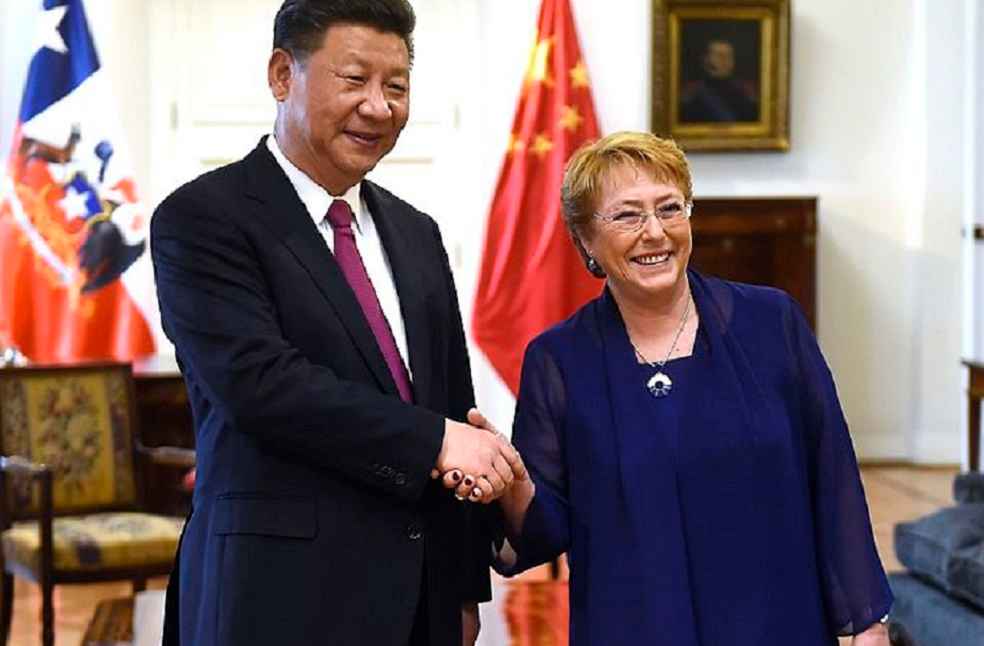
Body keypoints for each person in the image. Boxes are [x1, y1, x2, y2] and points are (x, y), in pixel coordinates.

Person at [150, 1, 523, 645]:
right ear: (281, 75)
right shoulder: (202, 219)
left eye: (396, 86)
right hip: (274, 599)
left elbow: (451, 407)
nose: (379, 106)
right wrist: (432, 442)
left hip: (419, 604)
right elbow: (259, 385)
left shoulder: (417, 234)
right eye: (354, 80)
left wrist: (464, 588)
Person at [474, 132, 893, 645]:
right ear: (584, 238)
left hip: (776, 622)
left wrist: (868, 622)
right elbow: (547, 529)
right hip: (633, 628)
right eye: (627, 215)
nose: (655, 232)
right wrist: (515, 487)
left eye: (670, 209)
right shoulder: (558, 361)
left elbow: (831, 474)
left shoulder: (771, 323)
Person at [679, 38, 759, 123]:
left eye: (728, 55)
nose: (724, 58)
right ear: (705, 59)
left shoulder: (748, 90)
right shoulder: (690, 91)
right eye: (718, 54)